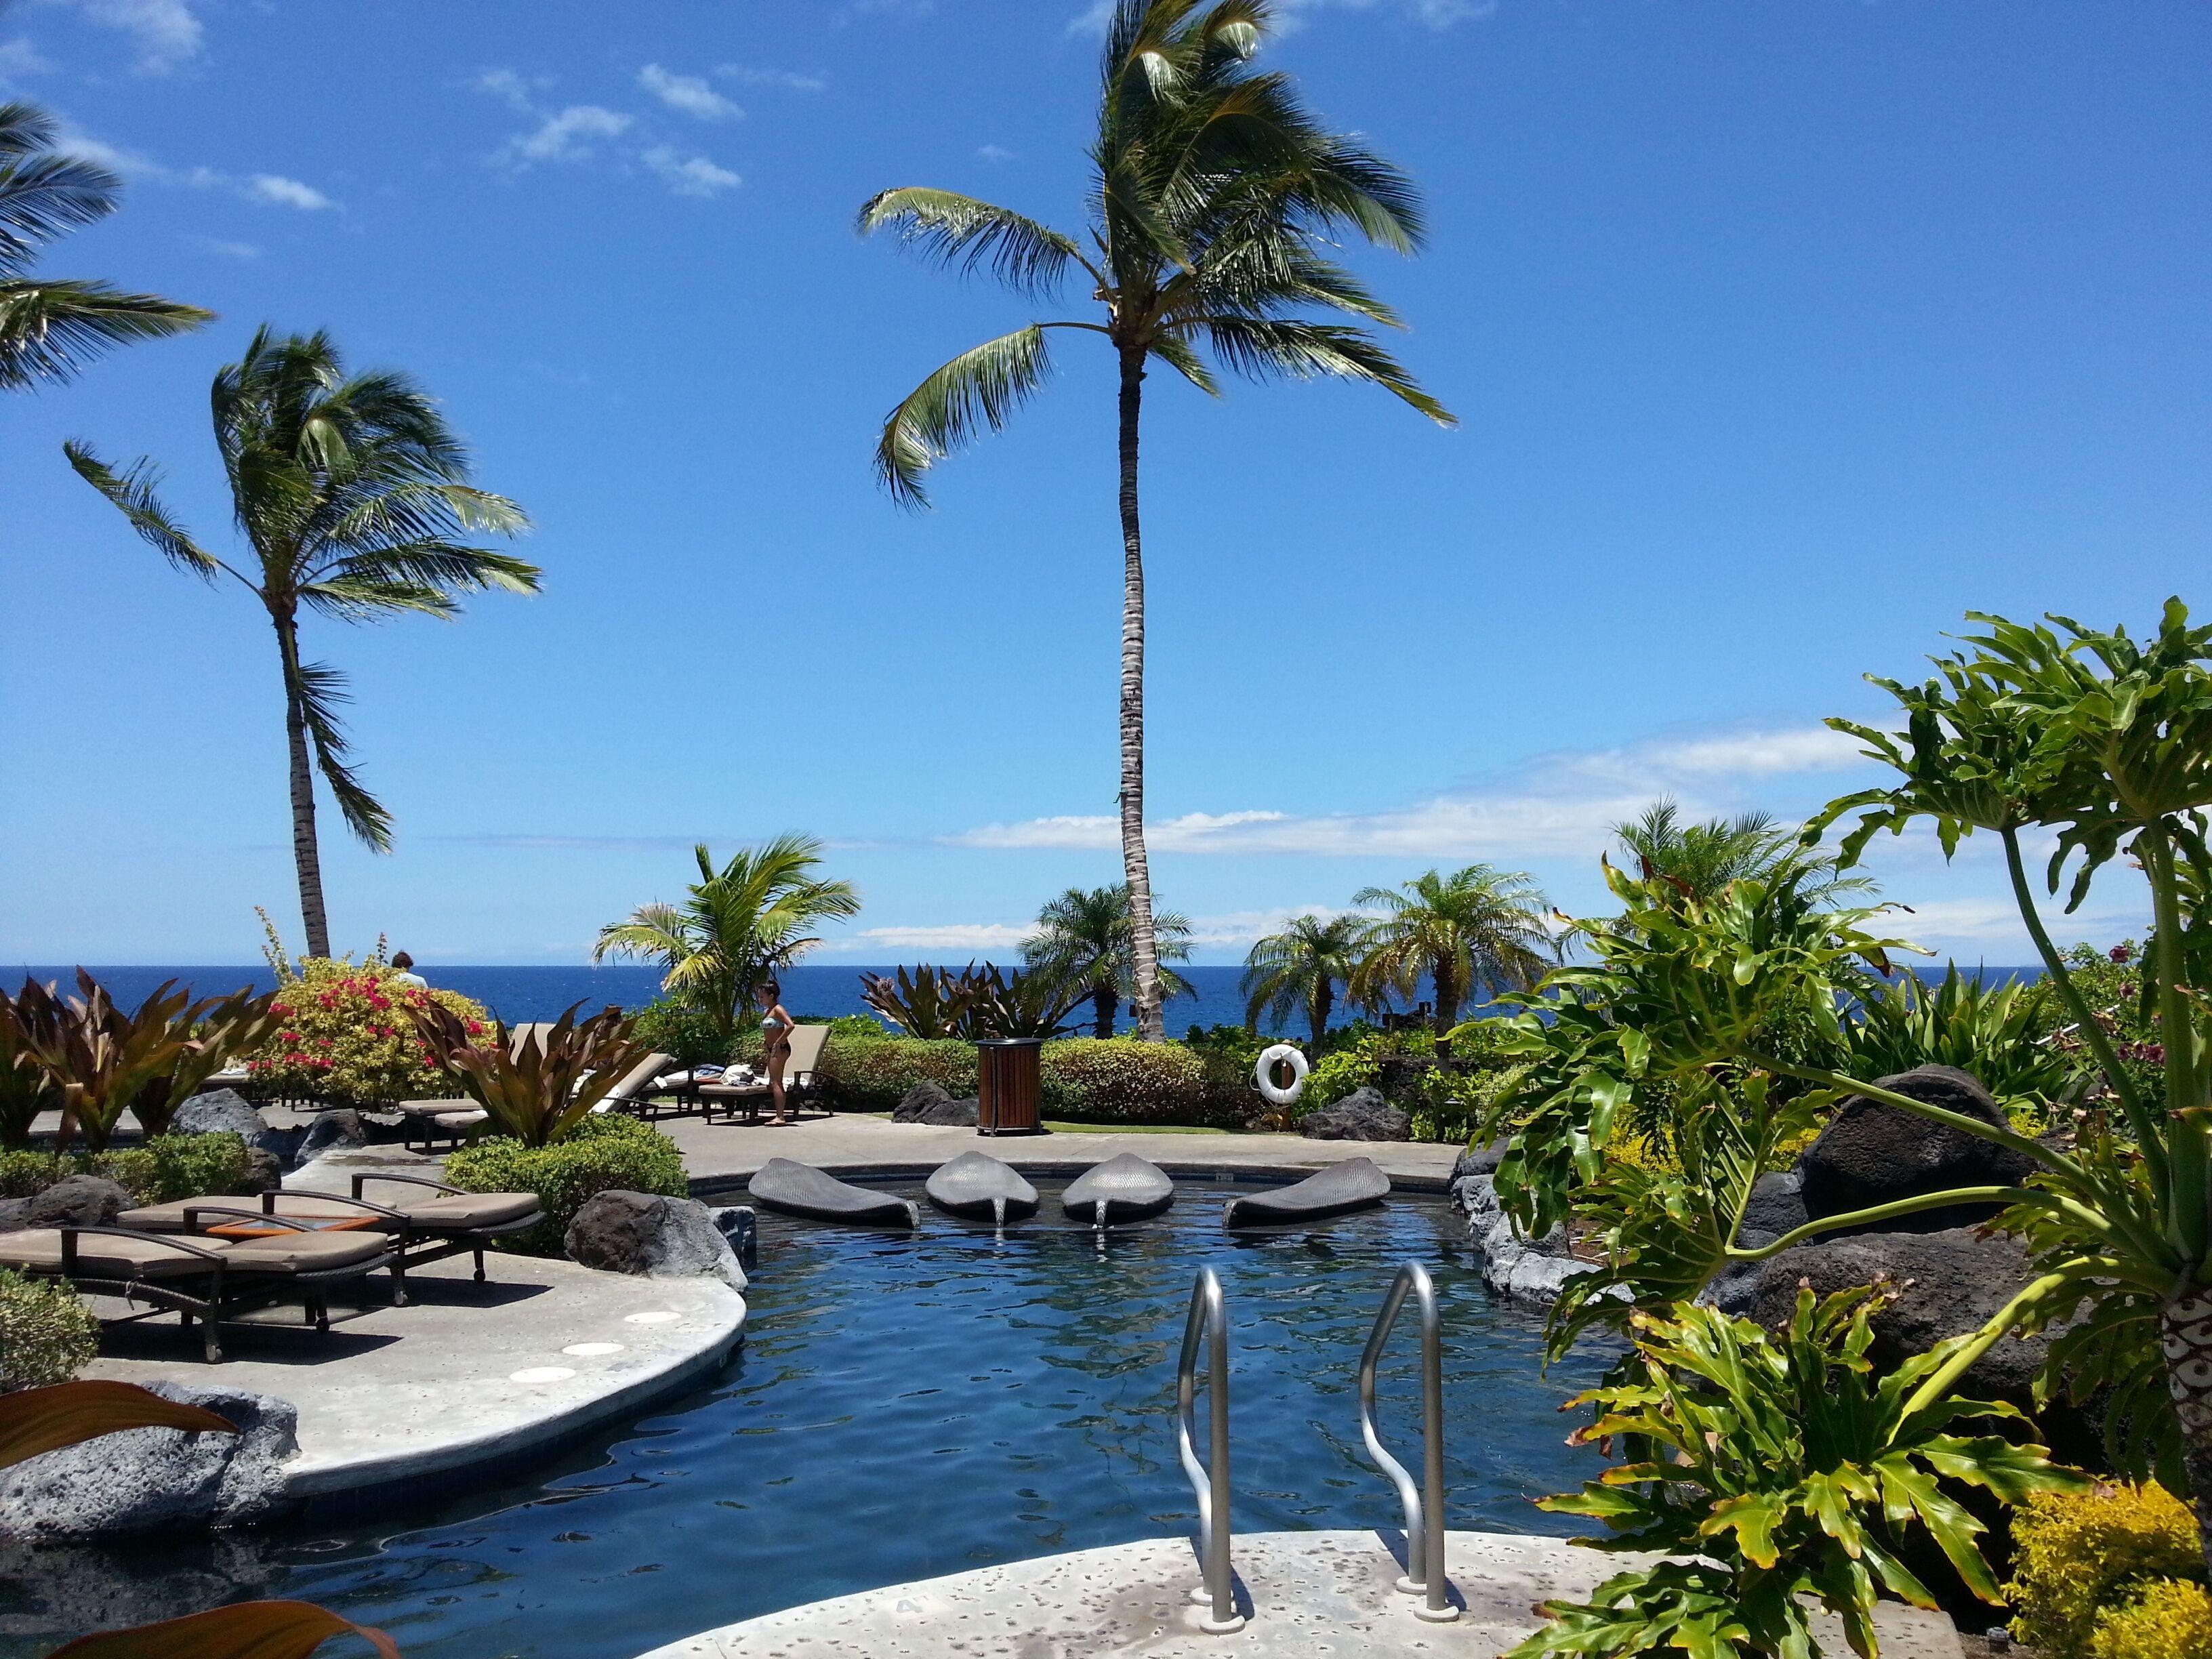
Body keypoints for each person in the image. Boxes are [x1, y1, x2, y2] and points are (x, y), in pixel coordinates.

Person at [756, 979, 795, 1126]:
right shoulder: (768, 1011)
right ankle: (779, 1115)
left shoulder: (778, 1009)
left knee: (776, 1082)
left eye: (762, 996)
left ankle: (780, 1117)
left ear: (771, 996)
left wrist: (779, 1042)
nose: (760, 999)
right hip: (772, 1048)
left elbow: (791, 1025)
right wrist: (767, 1043)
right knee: (774, 1081)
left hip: (780, 1049)